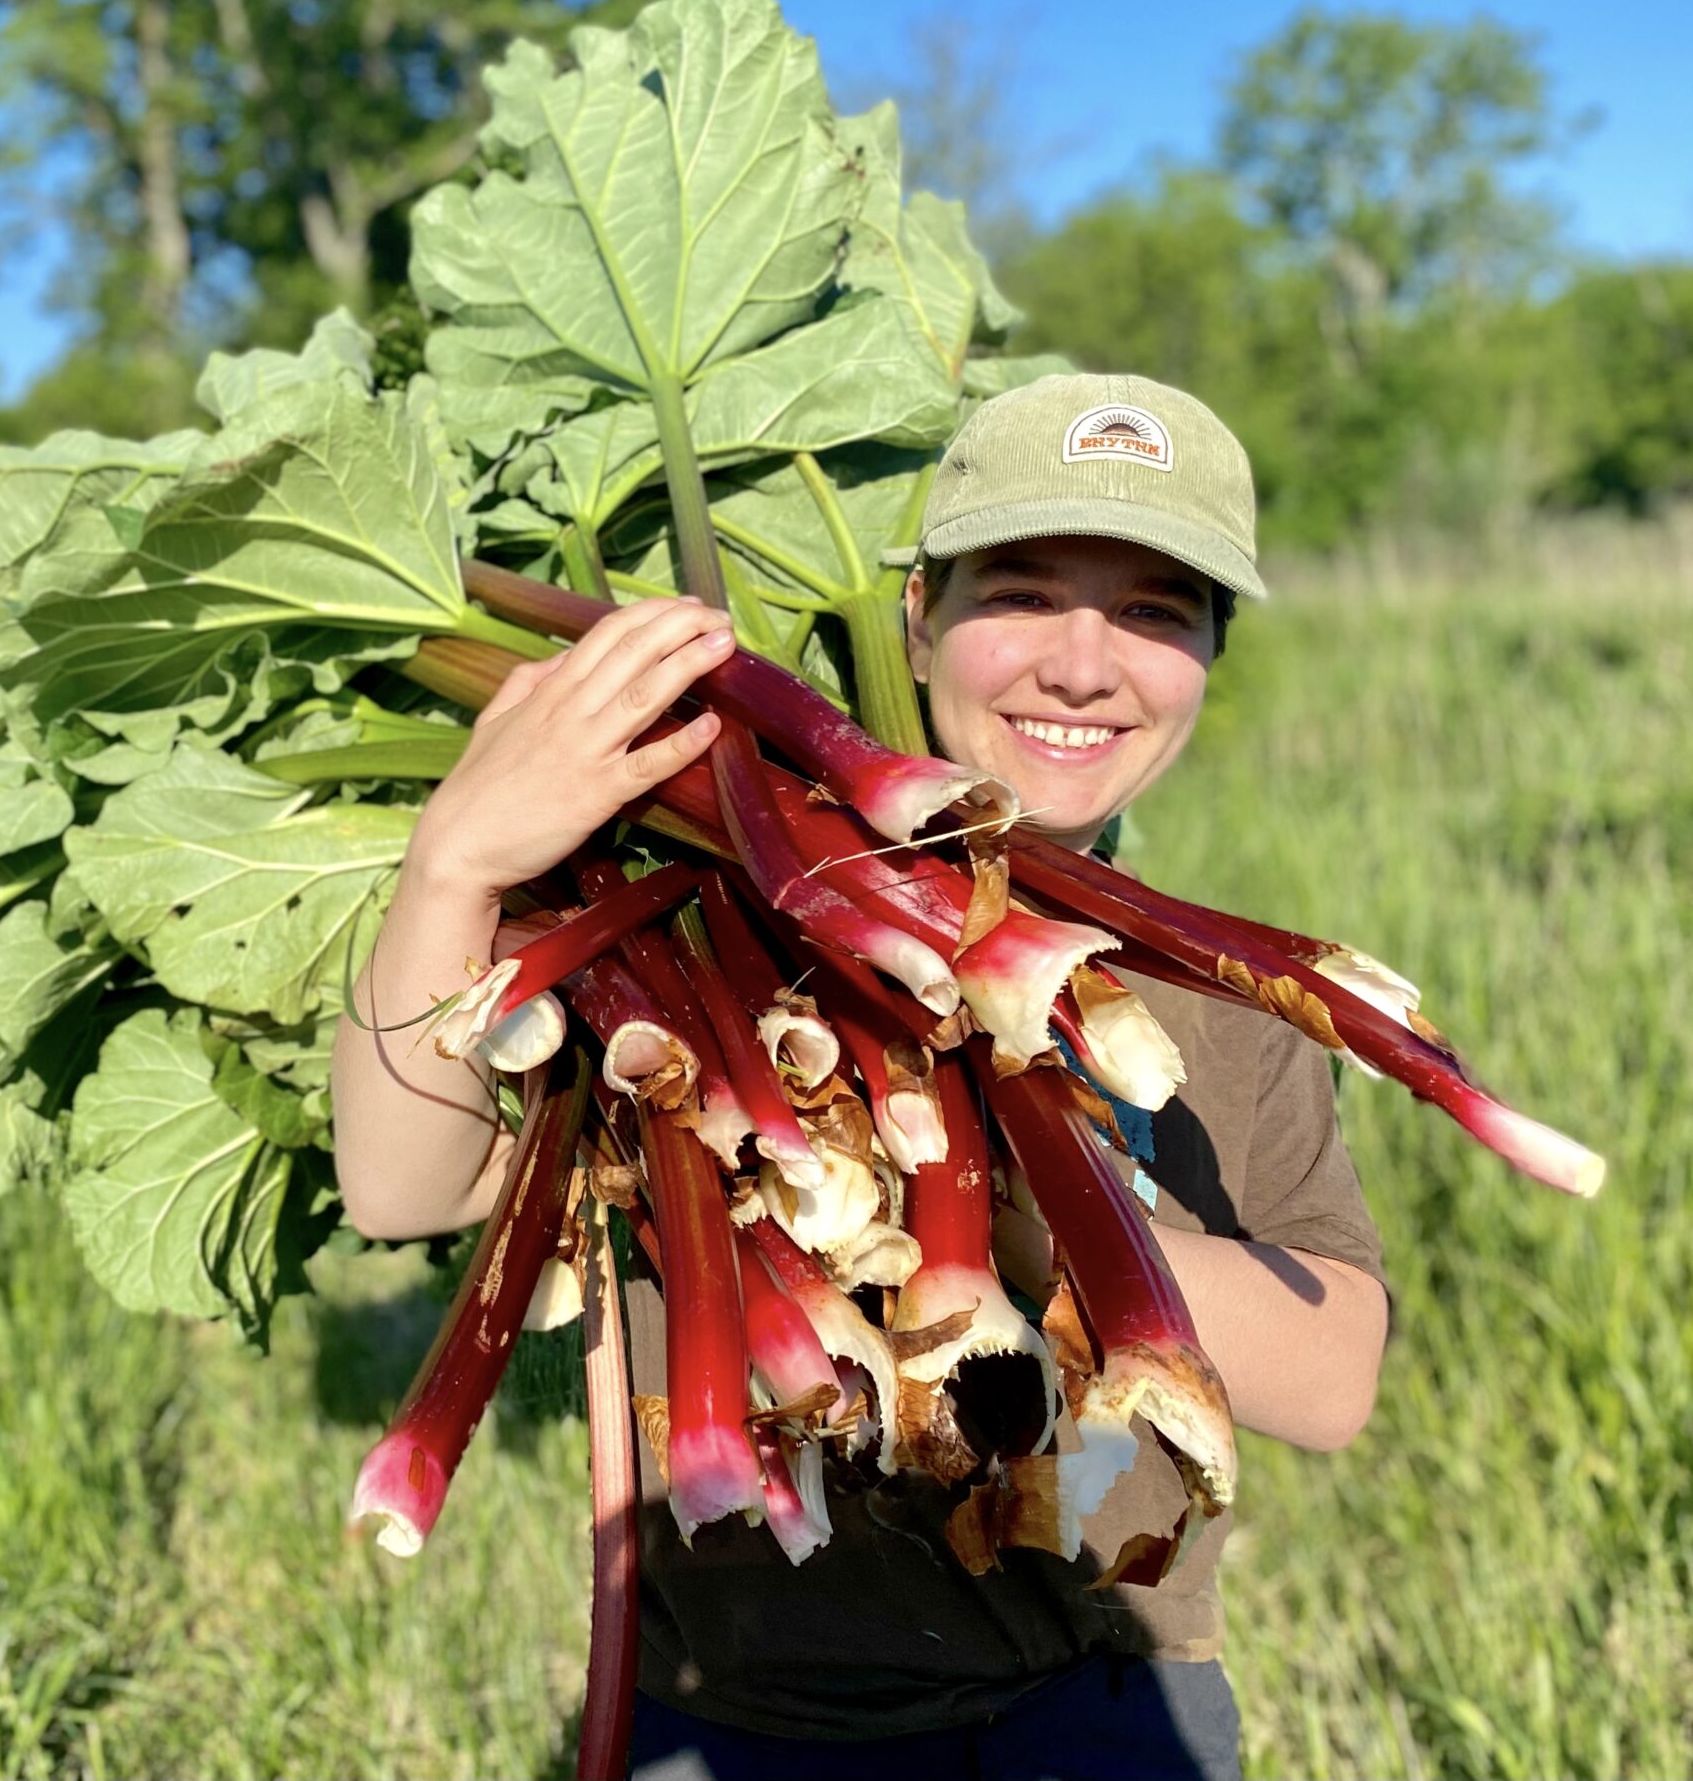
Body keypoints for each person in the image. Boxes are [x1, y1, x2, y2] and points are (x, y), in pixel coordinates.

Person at [331, 374, 1389, 1781]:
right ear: (917, 616)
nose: (1084, 666)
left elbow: (1334, 1379)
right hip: (736, 1718)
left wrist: (1015, 1201)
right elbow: (401, 1191)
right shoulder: (673, 938)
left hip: (1109, 1704)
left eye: (1155, 612)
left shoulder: (1227, 990)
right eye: (1021, 593)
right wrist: (455, 861)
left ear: (1209, 657)